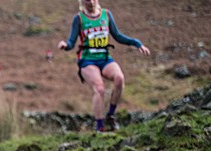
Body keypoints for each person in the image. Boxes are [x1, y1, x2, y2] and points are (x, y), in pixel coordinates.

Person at [57, 0, 150, 132]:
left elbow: (118, 36)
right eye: (87, 0)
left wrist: (137, 44)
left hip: (104, 58)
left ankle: (110, 116)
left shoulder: (106, 14)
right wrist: (65, 46)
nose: (91, 2)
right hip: (87, 60)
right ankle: (99, 126)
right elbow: (71, 42)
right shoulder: (78, 18)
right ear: (82, 2)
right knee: (100, 89)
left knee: (119, 79)